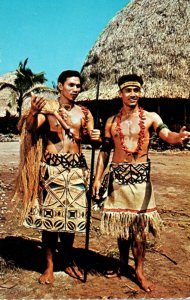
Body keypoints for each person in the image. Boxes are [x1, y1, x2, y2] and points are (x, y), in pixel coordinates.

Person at [92, 74, 190, 292]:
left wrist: (178, 137)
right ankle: (121, 264)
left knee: (139, 230)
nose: (133, 94)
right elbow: (105, 152)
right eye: (128, 90)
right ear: (120, 93)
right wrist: (98, 178)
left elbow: (166, 134)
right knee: (122, 226)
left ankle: (139, 271)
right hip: (117, 180)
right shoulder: (110, 122)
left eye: (136, 90)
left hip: (140, 181)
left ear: (140, 92)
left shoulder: (152, 117)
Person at [15, 70, 100, 284]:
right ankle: (50, 266)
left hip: (77, 171)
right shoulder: (49, 109)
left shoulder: (84, 112)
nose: (75, 89)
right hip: (53, 170)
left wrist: (96, 137)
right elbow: (32, 128)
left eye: (78, 86)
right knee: (51, 222)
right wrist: (33, 113)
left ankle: (68, 260)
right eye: (71, 85)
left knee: (71, 220)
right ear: (60, 86)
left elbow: (91, 138)